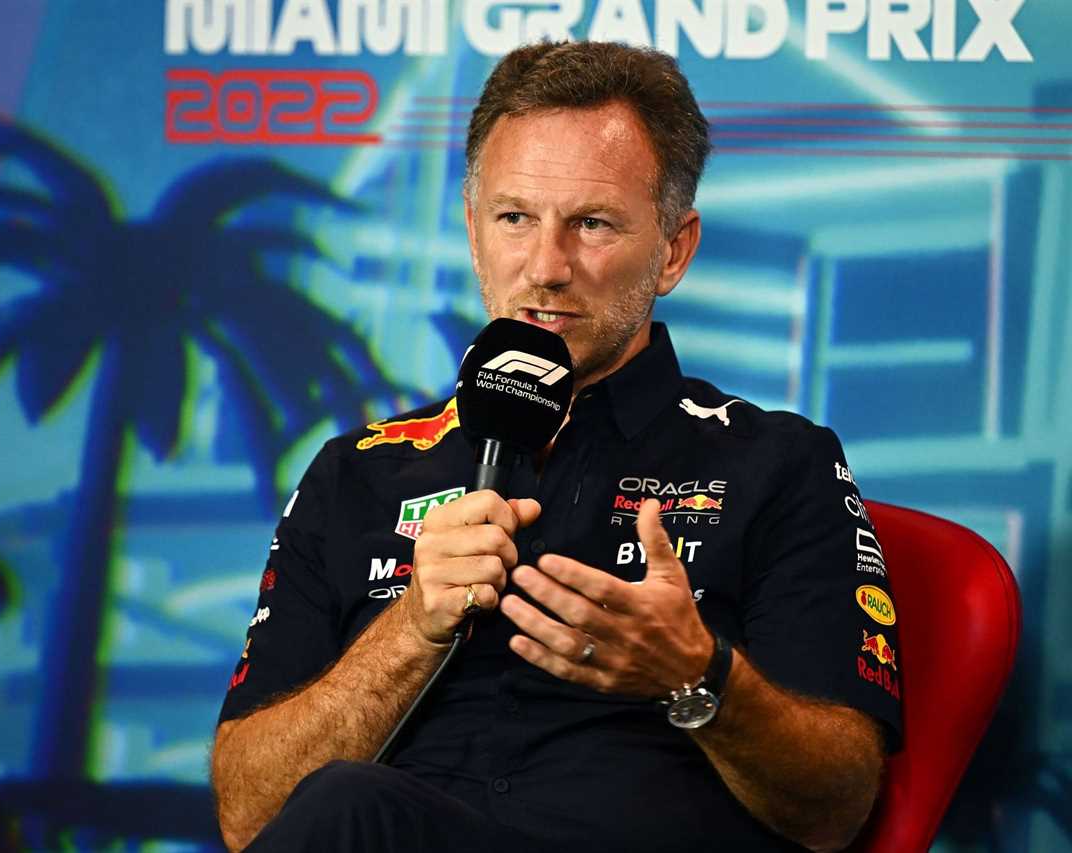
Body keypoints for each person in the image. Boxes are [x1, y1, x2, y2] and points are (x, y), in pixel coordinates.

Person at [210, 41, 902, 853]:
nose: (546, 267)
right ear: (473, 230)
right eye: (515, 219)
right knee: (347, 806)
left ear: (674, 250)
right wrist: (413, 626)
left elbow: (838, 805)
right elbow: (247, 813)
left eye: (593, 224)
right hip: (382, 831)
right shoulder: (356, 470)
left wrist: (698, 672)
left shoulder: (780, 463)